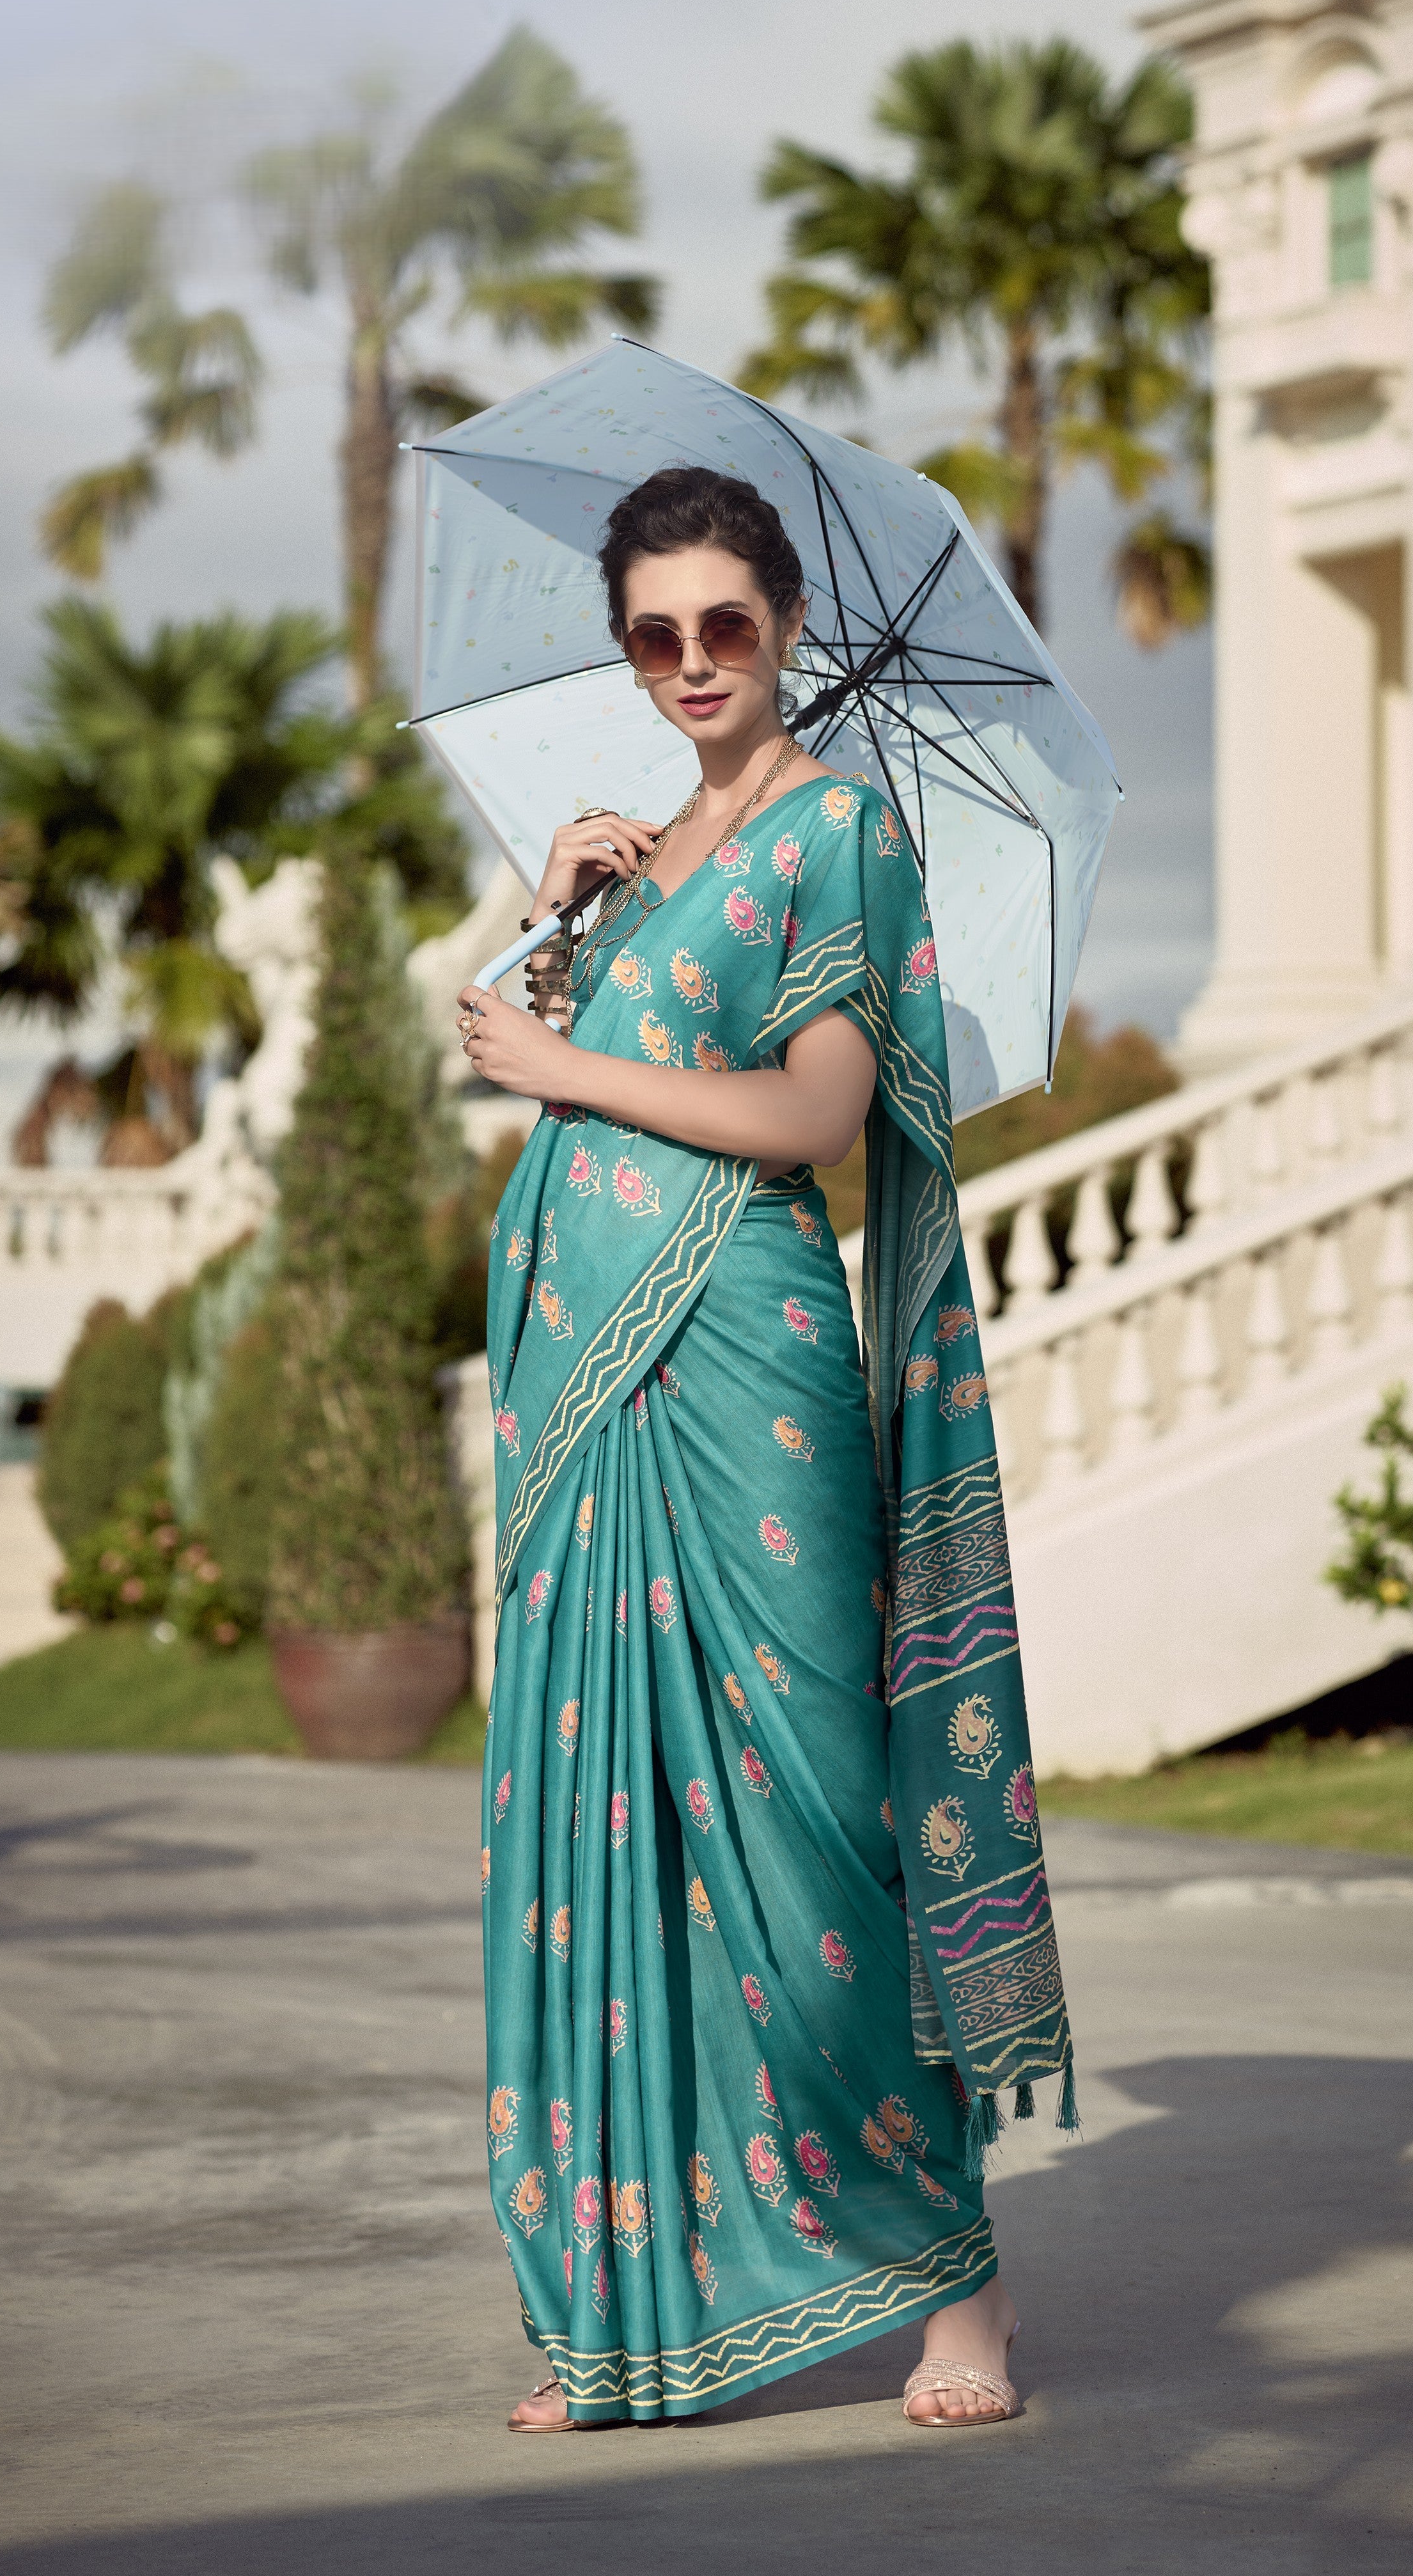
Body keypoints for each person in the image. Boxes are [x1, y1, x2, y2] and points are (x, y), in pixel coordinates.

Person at [456, 466, 1073, 2432]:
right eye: (657, 634)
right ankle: (630, 2316)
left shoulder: (841, 832)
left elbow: (815, 1111)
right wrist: (553, 912)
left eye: (728, 622)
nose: (695, 661)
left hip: (747, 1357)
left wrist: (567, 1058)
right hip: (584, 1392)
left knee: (811, 1822)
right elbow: (495, 1044)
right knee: (609, 1835)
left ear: (790, 623)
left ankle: (957, 2291)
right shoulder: (634, 861)